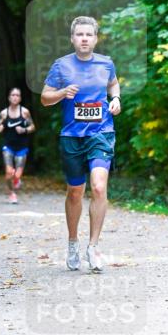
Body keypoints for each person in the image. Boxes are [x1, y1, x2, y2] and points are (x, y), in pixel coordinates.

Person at [41, 16, 121, 272]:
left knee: (98, 187)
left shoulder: (106, 63)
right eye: (80, 35)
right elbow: (44, 98)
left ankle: (94, 247)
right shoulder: (61, 66)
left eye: (89, 35)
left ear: (95, 39)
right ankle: (73, 242)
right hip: (72, 136)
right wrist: (63, 93)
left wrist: (116, 99)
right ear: (72, 39)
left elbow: (113, 84)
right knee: (75, 191)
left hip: (101, 133)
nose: (84, 38)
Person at [0, 87, 35, 204]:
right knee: (8, 172)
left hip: (22, 146)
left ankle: (16, 180)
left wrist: (24, 130)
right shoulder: (4, 113)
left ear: (20, 98)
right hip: (8, 146)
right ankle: (12, 194)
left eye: (17, 95)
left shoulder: (25, 112)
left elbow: (32, 127)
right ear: (9, 97)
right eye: (13, 95)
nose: (15, 97)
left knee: (17, 175)